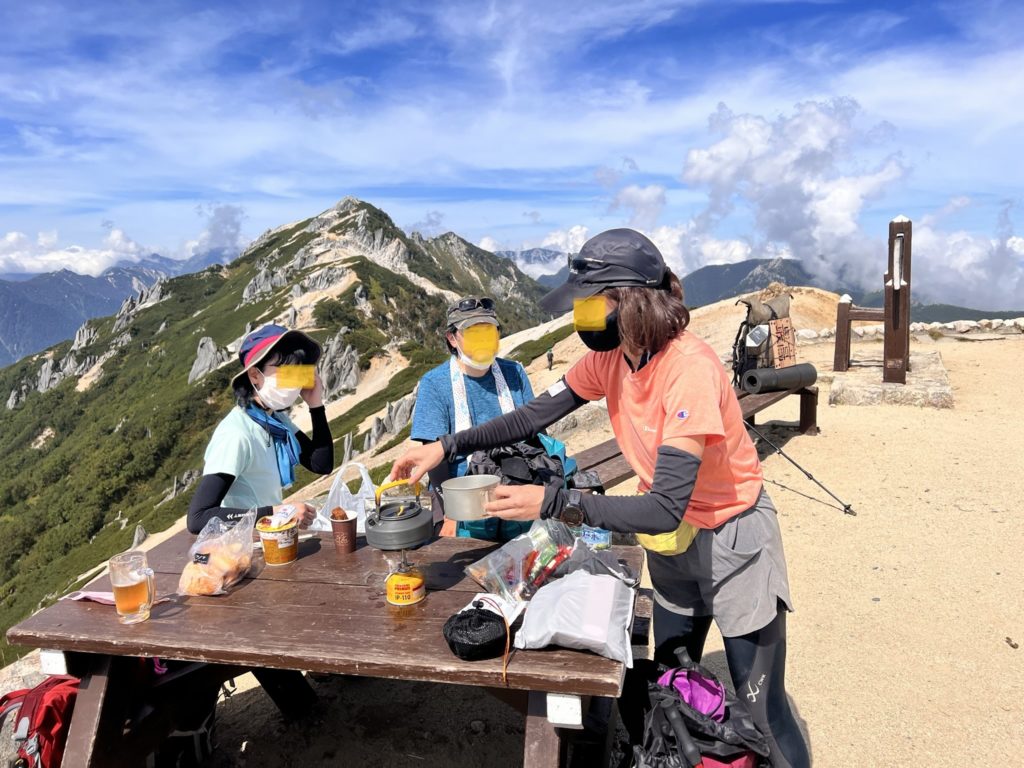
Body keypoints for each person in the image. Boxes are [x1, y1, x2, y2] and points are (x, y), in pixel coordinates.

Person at [391, 230, 810, 767]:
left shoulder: (689, 368)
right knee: (672, 679)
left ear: (631, 301)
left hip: (733, 540)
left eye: (590, 303)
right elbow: (531, 417)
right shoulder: (612, 358)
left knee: (763, 711)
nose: (581, 316)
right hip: (672, 547)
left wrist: (552, 501)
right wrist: (445, 446)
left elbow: (663, 506)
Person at [188, 324, 334, 534]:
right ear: (254, 375)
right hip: (240, 544)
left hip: (266, 538)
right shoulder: (236, 435)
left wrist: (316, 406)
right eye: (285, 372)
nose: (293, 382)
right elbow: (198, 517)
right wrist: (277, 512)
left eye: (298, 373)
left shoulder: (274, 421)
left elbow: (321, 464)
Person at [410, 296, 535, 541]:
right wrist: (450, 514)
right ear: (452, 338)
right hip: (462, 497)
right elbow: (434, 458)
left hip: (515, 485)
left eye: (489, 332)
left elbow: (534, 432)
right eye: (474, 333)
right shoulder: (435, 384)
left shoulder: (514, 372)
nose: (484, 341)